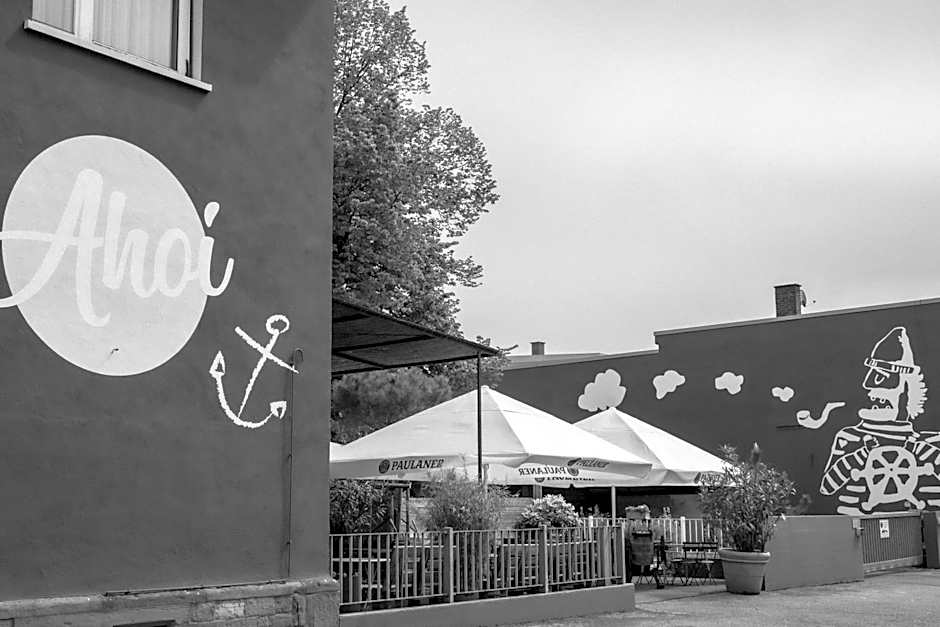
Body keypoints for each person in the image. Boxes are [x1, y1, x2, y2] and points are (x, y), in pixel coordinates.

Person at [820, 327, 940, 514]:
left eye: (881, 376)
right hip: (858, 531)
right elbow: (827, 486)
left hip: (922, 530)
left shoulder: (930, 443)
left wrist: (922, 450)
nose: (868, 384)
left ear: (907, 387)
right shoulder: (849, 438)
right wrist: (861, 454)